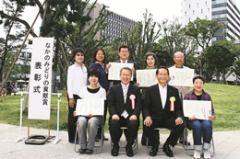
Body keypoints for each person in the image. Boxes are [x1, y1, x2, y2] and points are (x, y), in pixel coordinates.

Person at [143, 66, 184, 157]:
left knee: (181, 124)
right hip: (154, 118)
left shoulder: (174, 90)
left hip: (168, 118)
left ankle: (168, 145)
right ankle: (155, 144)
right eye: (160, 74)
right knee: (146, 124)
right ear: (157, 76)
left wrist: (179, 117)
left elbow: (178, 108)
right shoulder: (150, 90)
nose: (163, 76)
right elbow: (145, 107)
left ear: (168, 76)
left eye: (165, 74)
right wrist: (147, 116)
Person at [108, 67, 141, 157]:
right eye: (124, 74)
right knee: (113, 123)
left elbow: (139, 104)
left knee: (134, 123)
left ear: (131, 76)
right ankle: (115, 145)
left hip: (131, 116)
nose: (125, 77)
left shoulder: (136, 89)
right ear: (120, 76)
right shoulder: (114, 89)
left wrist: (135, 114)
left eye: (128, 75)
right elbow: (111, 104)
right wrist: (114, 114)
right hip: (117, 116)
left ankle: (129, 146)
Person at [184, 76, 216, 159]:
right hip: (192, 120)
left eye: (200, 83)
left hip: (205, 119)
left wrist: (212, 116)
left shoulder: (207, 96)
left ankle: (206, 149)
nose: (198, 85)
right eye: (196, 83)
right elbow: (185, 111)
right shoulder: (187, 95)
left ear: (203, 84)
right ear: (193, 84)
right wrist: (188, 116)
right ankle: (197, 150)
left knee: (207, 125)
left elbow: (211, 110)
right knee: (197, 125)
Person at [76, 70, 106, 154]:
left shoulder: (102, 91)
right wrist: (77, 111)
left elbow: (101, 106)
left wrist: (93, 114)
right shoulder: (82, 90)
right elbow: (79, 104)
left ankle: (90, 147)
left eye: (96, 77)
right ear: (88, 78)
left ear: (98, 79)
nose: (94, 78)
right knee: (81, 121)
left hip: (97, 116)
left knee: (92, 121)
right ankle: (82, 146)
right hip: (83, 114)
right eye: (91, 76)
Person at [168, 51, 193, 145]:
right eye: (177, 57)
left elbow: (192, 84)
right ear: (174, 59)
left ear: (184, 59)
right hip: (172, 98)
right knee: (174, 117)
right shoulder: (169, 70)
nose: (179, 59)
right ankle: (173, 138)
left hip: (186, 96)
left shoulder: (189, 71)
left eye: (181, 57)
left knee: (185, 116)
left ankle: (183, 138)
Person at [88, 48, 110, 141]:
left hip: (105, 93)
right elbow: (93, 78)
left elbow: (108, 79)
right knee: (96, 113)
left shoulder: (106, 66)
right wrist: (102, 90)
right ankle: (95, 134)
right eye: (98, 54)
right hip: (96, 93)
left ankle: (101, 134)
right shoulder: (93, 65)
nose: (100, 55)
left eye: (102, 54)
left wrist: (107, 70)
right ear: (95, 55)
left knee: (103, 114)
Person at [67, 48, 88, 143]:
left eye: (82, 55)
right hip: (74, 96)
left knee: (81, 117)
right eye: (78, 55)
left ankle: (80, 137)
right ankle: (72, 138)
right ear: (74, 57)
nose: (80, 56)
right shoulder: (71, 68)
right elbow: (69, 83)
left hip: (83, 97)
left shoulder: (85, 68)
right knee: (72, 117)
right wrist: (70, 97)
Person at [140, 52, 158, 146]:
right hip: (145, 98)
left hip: (157, 99)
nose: (150, 61)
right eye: (148, 59)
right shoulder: (142, 72)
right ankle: (145, 138)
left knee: (155, 118)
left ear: (155, 60)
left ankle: (154, 139)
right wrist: (137, 85)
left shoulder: (160, 72)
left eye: (152, 58)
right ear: (146, 61)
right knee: (145, 118)